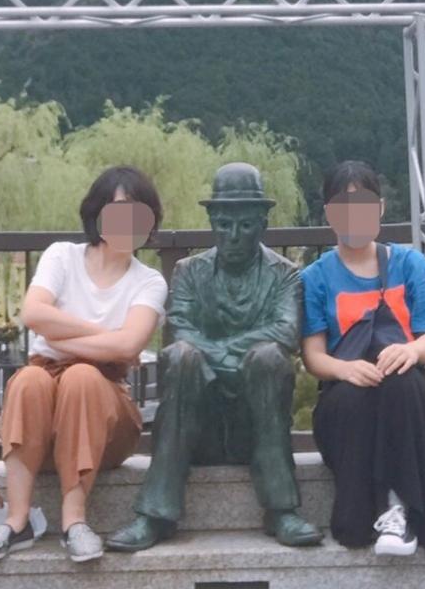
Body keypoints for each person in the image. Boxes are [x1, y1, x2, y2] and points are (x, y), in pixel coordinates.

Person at [301, 159, 425, 589]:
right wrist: (346, 369)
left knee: (401, 383)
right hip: (346, 407)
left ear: (381, 209)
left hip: (407, 402)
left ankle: (399, 506)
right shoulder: (316, 276)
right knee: (356, 397)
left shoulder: (410, 264)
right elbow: (313, 357)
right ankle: (384, 508)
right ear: (329, 214)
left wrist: (410, 351)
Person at [107, 162, 322, 551]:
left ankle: (281, 509)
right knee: (181, 356)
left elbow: (285, 332)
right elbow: (180, 329)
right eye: (223, 225)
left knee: (269, 359)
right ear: (211, 223)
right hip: (197, 422)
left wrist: (223, 355)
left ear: (263, 224)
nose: (233, 235)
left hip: (257, 423)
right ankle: (156, 515)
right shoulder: (189, 272)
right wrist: (228, 357)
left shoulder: (286, 275)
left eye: (245, 225)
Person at [0, 165, 167, 564]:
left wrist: (62, 337)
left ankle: (74, 521)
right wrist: (105, 336)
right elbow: (33, 313)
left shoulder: (149, 281)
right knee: (28, 380)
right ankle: (17, 521)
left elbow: (129, 344)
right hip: (45, 415)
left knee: (80, 376)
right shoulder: (62, 255)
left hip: (107, 419)